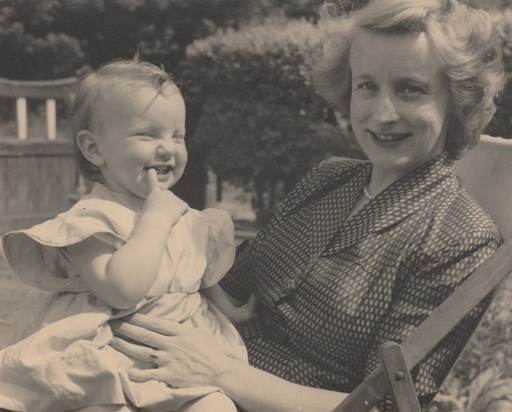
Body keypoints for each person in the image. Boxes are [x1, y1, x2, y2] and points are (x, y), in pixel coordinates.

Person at [107, 1, 506, 411]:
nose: (383, 113)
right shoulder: (329, 179)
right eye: (367, 85)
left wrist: (222, 372)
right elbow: (229, 287)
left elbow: (385, 407)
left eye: (410, 89)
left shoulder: (459, 237)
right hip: (174, 374)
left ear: (456, 100)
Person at [0, 60, 256, 412]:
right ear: (95, 149)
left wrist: (228, 309)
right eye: (147, 135)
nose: (167, 147)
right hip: (111, 364)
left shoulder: (187, 217)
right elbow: (121, 290)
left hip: (186, 361)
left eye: (177, 135)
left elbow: (192, 274)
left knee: (217, 407)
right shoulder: (91, 221)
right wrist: (155, 219)